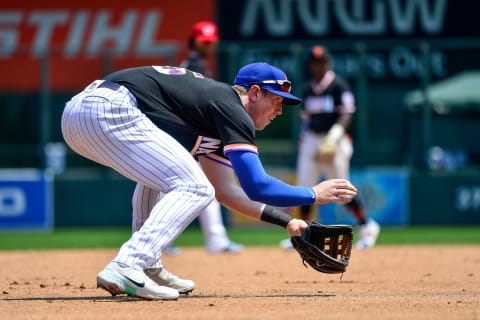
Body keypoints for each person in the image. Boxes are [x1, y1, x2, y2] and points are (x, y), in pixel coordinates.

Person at [61, 62, 358, 300]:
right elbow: (257, 185)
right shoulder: (231, 108)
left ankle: (146, 266)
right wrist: (312, 194)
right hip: (108, 108)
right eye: (277, 100)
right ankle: (129, 264)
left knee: (168, 178)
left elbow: (226, 191)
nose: (280, 111)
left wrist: (287, 222)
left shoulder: (215, 115)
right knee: (193, 187)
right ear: (254, 93)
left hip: (84, 112)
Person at [280, 45, 380, 251]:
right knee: (305, 187)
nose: (318, 66)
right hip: (312, 139)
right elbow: (306, 119)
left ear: (328, 63)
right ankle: (303, 232)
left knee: (342, 189)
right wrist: (305, 140)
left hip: (335, 139)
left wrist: (333, 137)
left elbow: (347, 114)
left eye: (322, 62)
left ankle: (367, 226)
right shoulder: (308, 88)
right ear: (311, 65)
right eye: (315, 63)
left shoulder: (339, 86)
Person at [163, 20, 243, 255]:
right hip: (185, 134)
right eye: (204, 41)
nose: (208, 45)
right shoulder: (193, 65)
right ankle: (160, 240)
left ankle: (215, 239)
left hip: (190, 134)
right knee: (170, 188)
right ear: (195, 41)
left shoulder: (197, 64)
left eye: (211, 41)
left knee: (201, 187)